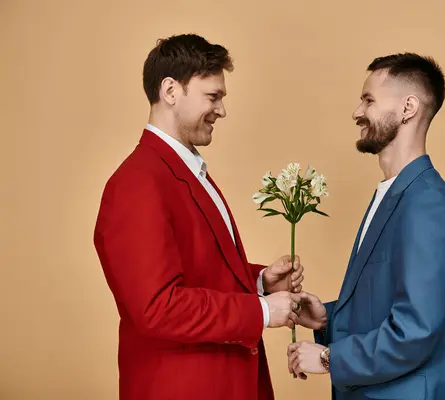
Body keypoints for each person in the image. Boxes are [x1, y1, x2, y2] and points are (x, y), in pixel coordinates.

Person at [93, 33, 305, 400]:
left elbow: (197, 270)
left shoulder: (185, 170)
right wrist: (261, 311)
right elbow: (158, 308)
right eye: (213, 96)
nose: (221, 110)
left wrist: (260, 282)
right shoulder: (137, 182)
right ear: (171, 90)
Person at [287, 53, 445, 399]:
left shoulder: (428, 203)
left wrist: (330, 358)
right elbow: (391, 301)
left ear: (408, 108)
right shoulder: (394, 193)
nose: (357, 112)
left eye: (368, 100)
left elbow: (416, 329)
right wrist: (328, 319)